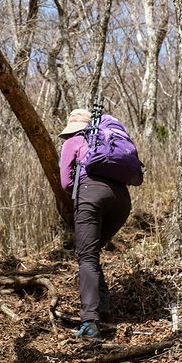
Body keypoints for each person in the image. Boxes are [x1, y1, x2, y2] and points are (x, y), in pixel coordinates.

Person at [58, 108, 131, 340]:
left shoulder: (73, 142)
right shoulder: (105, 142)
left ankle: (90, 322)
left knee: (86, 256)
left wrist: (81, 192)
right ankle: (104, 311)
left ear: (73, 128)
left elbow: (65, 181)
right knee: (91, 254)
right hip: (121, 200)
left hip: (91, 194)